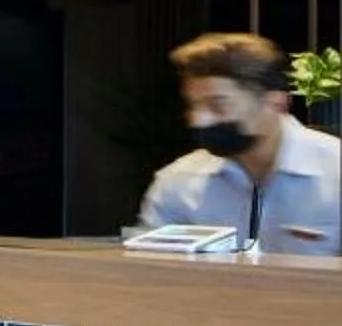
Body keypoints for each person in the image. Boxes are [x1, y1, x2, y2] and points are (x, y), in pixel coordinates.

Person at [137, 32, 340, 253]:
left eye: (218, 105)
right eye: (193, 105)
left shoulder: (334, 172)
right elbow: (149, 274)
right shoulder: (178, 182)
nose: (198, 119)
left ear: (275, 103)